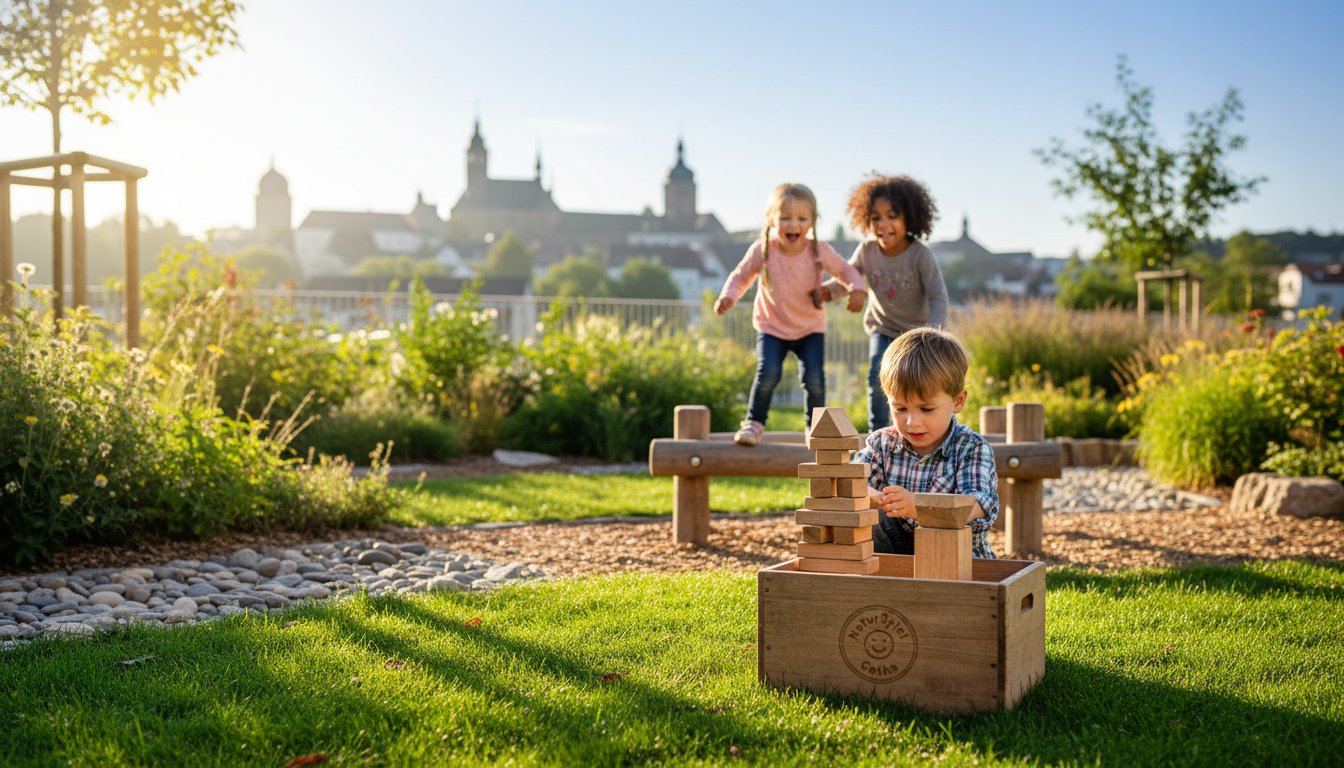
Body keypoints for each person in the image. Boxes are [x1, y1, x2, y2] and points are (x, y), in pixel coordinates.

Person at [714, 183, 863, 446]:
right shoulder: (764, 250)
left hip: (810, 328)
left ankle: (814, 428)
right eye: (785, 218)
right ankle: (754, 424)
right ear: (771, 219)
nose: (793, 224)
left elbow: (846, 270)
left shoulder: (818, 250)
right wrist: (729, 296)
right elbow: (741, 275)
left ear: (812, 222)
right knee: (768, 372)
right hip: (772, 326)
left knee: (814, 379)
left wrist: (857, 289)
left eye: (801, 219)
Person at [854, 326, 999, 558]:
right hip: (896, 554)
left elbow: (976, 504)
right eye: (900, 408)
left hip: (956, 560)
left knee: (944, 530)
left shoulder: (971, 448)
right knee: (865, 516)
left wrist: (919, 506)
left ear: (957, 402)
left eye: (927, 409)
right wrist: (874, 497)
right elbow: (850, 484)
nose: (912, 422)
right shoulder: (881, 444)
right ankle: (882, 586)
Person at [819, 174, 948, 431]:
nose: (883, 224)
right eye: (876, 218)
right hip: (884, 328)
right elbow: (849, 277)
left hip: (917, 333)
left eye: (892, 216)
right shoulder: (867, 251)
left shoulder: (920, 255)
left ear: (909, 218)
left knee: (918, 381)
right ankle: (877, 432)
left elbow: (938, 296)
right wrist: (824, 293)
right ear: (867, 220)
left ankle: (921, 427)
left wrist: (933, 333)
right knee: (877, 374)